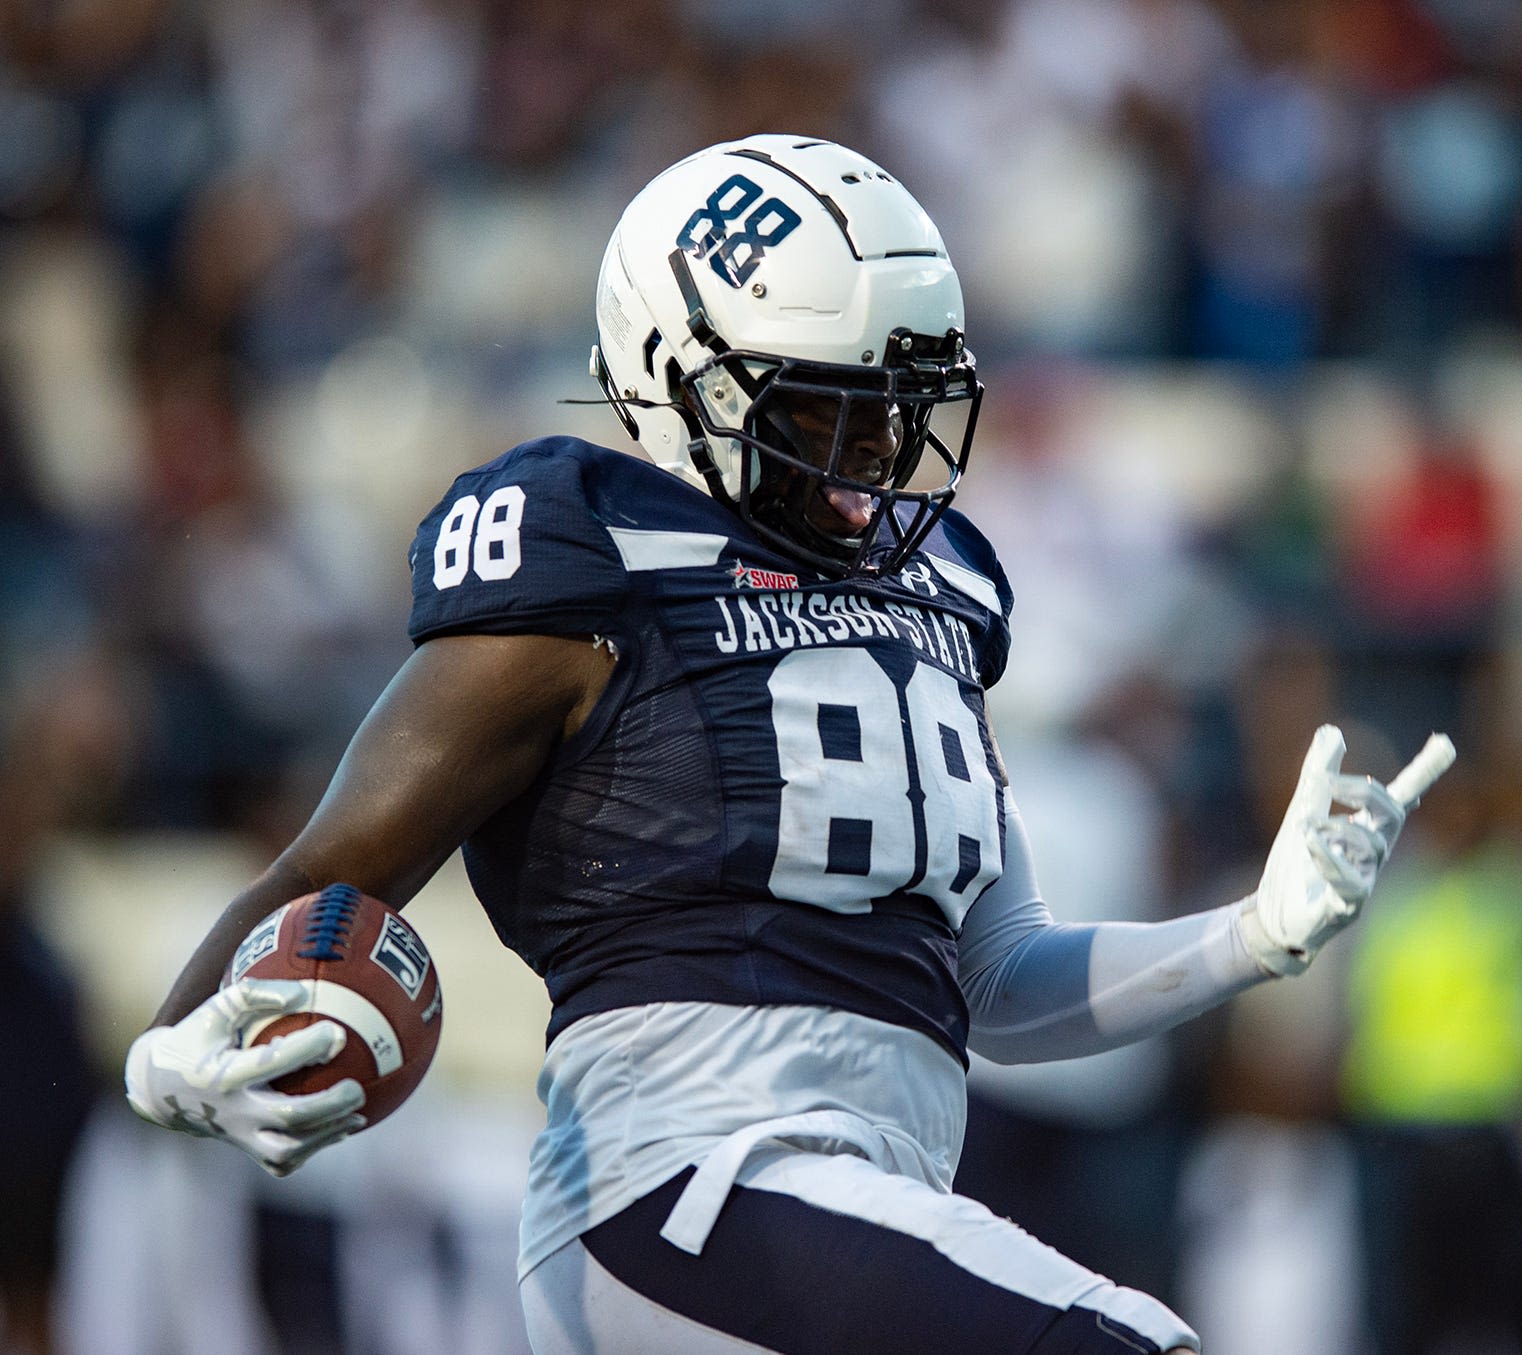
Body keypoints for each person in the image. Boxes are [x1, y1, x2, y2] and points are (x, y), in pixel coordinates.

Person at [121, 135, 1424, 1355]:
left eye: (898, 405)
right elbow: (335, 864)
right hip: (678, 1192)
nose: (877, 449)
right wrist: (165, 1051)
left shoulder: (945, 594)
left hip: (848, 1209)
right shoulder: (598, 553)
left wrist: (1258, 932)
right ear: (673, 372)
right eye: (827, 408)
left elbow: (1000, 984)